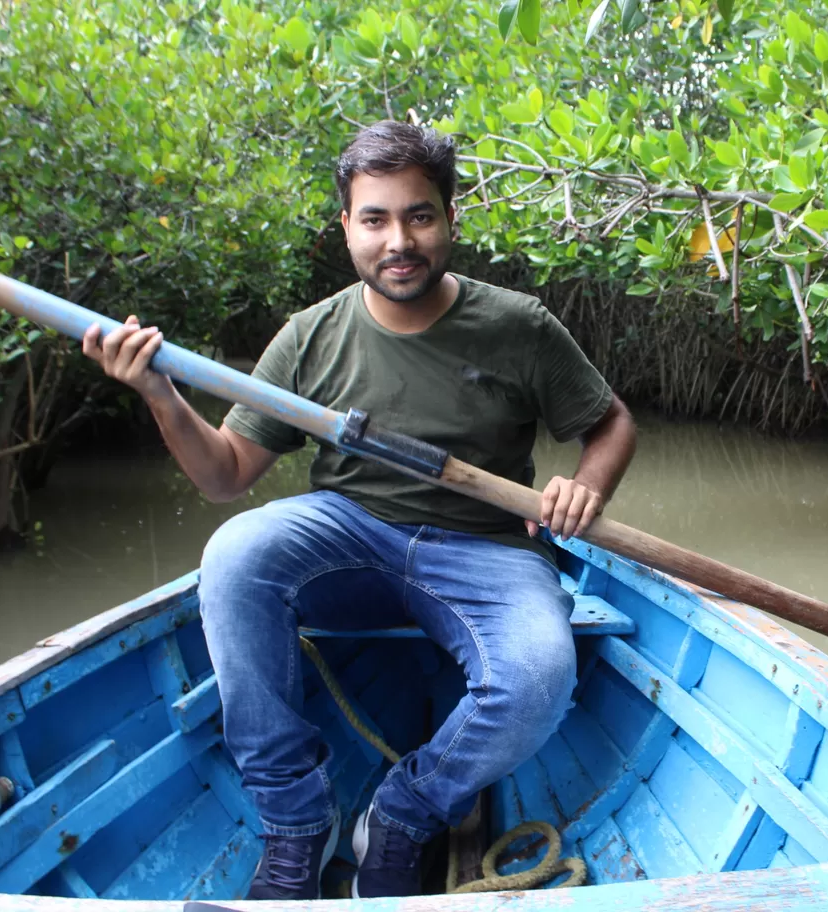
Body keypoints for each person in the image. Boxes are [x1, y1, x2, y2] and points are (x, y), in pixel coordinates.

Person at [80, 120, 637, 900]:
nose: (398, 240)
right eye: (374, 218)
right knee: (236, 555)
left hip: (487, 548)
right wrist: (157, 392)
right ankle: (297, 824)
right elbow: (226, 476)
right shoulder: (309, 338)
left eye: (419, 215)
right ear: (346, 226)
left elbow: (610, 422)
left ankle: (406, 812)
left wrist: (588, 486)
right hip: (349, 535)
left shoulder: (519, 325)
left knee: (541, 675)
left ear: (449, 218)